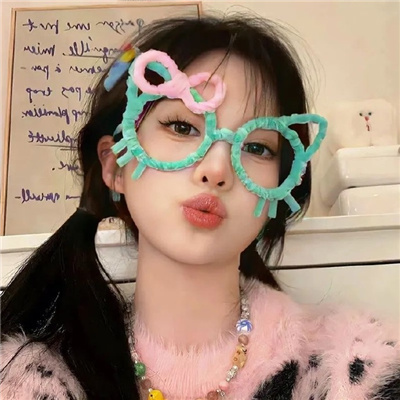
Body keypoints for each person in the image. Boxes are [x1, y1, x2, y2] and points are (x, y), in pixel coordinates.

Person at [1, 13, 399, 400]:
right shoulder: (33, 381)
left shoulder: (354, 370)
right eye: (183, 127)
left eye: (257, 147)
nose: (217, 169)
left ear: (281, 186)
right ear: (116, 165)